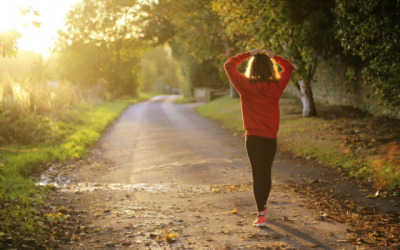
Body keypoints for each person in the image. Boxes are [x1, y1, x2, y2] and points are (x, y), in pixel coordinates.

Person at [224, 49, 294, 227]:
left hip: (253, 138)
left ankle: (261, 214)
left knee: (258, 174)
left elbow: (228, 64)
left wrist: (248, 53)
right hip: (270, 138)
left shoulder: (245, 85)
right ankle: (263, 207)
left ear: (252, 67)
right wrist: (274, 56)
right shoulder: (277, 86)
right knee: (266, 172)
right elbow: (289, 67)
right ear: (270, 68)